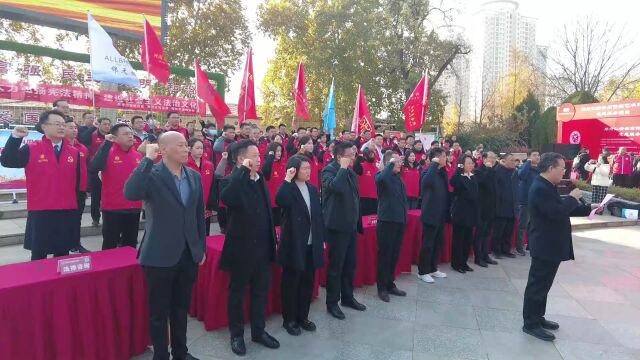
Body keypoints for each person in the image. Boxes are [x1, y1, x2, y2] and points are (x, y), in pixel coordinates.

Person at [124, 131, 205, 360]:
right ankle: (161, 355)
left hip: (188, 254)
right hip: (159, 255)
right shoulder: (152, 173)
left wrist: (200, 250)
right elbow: (130, 193)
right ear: (165, 149)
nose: (186, 149)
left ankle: (181, 352)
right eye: (180, 145)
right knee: (159, 312)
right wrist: (147, 160)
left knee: (181, 309)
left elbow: (198, 216)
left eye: (186, 145)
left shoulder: (194, 176)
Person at [522, 152, 595, 342]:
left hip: (551, 244)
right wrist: (572, 198)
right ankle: (530, 323)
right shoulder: (539, 188)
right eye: (562, 168)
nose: (564, 171)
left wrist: (590, 208)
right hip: (544, 244)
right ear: (551, 168)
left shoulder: (549, 186)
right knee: (537, 285)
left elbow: (562, 210)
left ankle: (538, 317)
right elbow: (556, 212)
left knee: (544, 284)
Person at [219, 140, 280, 356]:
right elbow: (228, 199)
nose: (258, 159)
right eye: (253, 156)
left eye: (258, 155)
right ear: (239, 159)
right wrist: (243, 171)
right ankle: (236, 335)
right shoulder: (230, 181)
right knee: (237, 293)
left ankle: (258, 331)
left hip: (263, 248)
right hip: (241, 250)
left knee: (260, 292)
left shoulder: (260, 178)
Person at [1, 111, 80, 260]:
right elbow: (7, 161)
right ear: (44, 127)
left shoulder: (73, 152)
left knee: (62, 253)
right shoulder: (31, 148)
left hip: (66, 209)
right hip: (41, 209)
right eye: (57, 124)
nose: (62, 127)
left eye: (63, 124)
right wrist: (15, 138)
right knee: (39, 253)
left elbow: (76, 182)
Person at [276, 155, 324, 336]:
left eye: (309, 168)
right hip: (294, 243)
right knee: (291, 283)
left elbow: (317, 216)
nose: (308, 171)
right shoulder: (290, 188)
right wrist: (287, 179)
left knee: (307, 282)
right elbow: (280, 200)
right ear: (294, 170)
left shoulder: (312, 189)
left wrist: (321, 239)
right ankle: (289, 319)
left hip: (311, 243)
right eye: (304, 169)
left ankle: (302, 316)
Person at [322, 141, 366, 319]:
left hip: (350, 225)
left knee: (350, 265)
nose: (354, 158)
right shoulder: (329, 170)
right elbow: (335, 187)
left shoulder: (351, 172)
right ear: (340, 157)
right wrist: (342, 169)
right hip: (336, 226)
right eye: (350, 155)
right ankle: (332, 303)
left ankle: (348, 297)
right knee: (336, 267)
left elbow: (355, 196)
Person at [90, 123, 143, 250]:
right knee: (110, 243)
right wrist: (107, 143)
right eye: (125, 134)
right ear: (115, 137)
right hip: (113, 208)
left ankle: (129, 269)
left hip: (134, 207)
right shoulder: (107, 153)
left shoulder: (137, 155)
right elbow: (94, 167)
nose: (130, 136)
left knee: (130, 244)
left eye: (131, 133)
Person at [375, 151, 408, 302]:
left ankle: (390, 283)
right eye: (396, 162)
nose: (399, 164)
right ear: (388, 164)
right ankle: (381, 287)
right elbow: (381, 177)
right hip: (387, 221)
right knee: (385, 255)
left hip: (399, 221)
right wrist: (390, 164)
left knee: (394, 254)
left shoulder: (398, 178)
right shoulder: (382, 177)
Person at [417, 147, 448, 283]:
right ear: (436, 158)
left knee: (438, 243)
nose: (445, 158)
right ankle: (423, 271)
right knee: (427, 244)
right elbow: (426, 183)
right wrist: (433, 164)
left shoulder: (442, 173)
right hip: (430, 213)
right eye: (443, 156)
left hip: (441, 213)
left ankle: (433, 268)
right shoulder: (427, 172)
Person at [64, 118, 91, 254]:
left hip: (79, 190)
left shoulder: (83, 148)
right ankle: (62, 245)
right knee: (63, 219)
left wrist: (86, 188)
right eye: (70, 127)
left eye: (75, 128)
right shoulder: (59, 147)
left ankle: (76, 244)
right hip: (64, 190)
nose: (74, 130)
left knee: (77, 218)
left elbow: (85, 169)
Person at [450, 155, 480, 273]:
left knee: (468, 240)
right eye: (468, 163)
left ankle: (464, 262)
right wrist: (459, 169)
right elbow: (453, 182)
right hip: (461, 212)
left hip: (471, 212)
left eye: (471, 163)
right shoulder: (459, 176)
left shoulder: (473, 177)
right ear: (462, 164)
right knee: (459, 239)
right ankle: (456, 263)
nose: (471, 165)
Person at [79, 116, 111, 226]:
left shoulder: (112, 137)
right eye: (104, 124)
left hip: (109, 170)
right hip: (95, 170)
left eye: (108, 124)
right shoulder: (92, 135)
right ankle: (96, 218)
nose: (107, 126)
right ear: (99, 125)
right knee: (96, 196)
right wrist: (93, 127)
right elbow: (83, 139)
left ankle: (108, 218)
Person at [186, 138, 215, 235]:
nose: (200, 151)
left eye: (201, 148)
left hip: (206, 204)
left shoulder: (209, 165)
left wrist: (210, 202)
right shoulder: (184, 164)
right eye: (197, 148)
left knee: (205, 232)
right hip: (190, 204)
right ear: (190, 149)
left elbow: (212, 184)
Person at [474, 152, 498, 267]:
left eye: (494, 158)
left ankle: (485, 255)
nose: (493, 160)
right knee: (480, 233)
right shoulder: (479, 171)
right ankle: (478, 257)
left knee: (487, 233)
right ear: (484, 159)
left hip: (491, 207)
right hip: (482, 207)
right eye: (491, 158)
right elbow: (484, 183)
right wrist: (489, 169)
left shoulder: (493, 171)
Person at [493, 153, 518, 258]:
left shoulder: (514, 172)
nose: (513, 162)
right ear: (504, 161)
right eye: (511, 160)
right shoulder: (498, 171)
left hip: (512, 206)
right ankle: (497, 251)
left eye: (514, 160)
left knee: (509, 231)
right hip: (501, 206)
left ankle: (506, 250)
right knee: (499, 231)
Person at [516, 150, 540, 256]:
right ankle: (519, 247)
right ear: (530, 157)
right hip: (525, 201)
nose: (537, 157)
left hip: (536, 201)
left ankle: (531, 245)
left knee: (533, 225)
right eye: (534, 155)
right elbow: (521, 176)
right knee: (523, 225)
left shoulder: (539, 169)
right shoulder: (525, 167)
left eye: (538, 155)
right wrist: (528, 162)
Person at [262, 142, 287, 226]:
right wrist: (270, 157)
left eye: (280, 151)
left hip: (282, 198)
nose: (279, 153)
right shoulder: (267, 164)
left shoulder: (282, 164)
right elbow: (266, 174)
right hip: (271, 200)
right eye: (277, 151)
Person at [353, 147, 379, 216]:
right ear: (365, 156)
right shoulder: (360, 166)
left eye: (373, 154)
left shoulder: (376, 168)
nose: (372, 156)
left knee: (374, 218)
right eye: (370, 155)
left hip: (375, 197)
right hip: (364, 197)